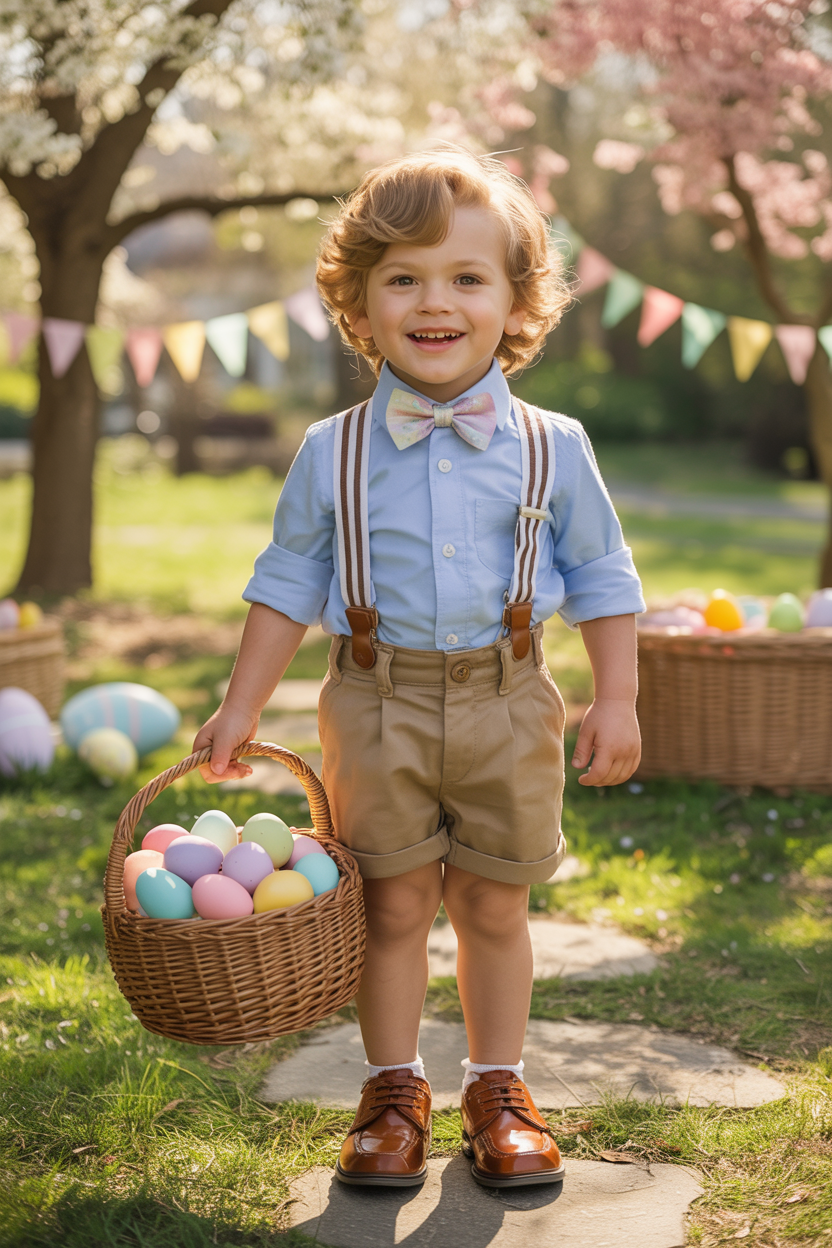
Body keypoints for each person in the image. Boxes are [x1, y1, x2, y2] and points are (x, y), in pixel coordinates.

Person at [193, 146, 645, 1191]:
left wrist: (615, 696)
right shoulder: (332, 451)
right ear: (359, 303)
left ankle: (498, 1088)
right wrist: (237, 706)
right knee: (392, 905)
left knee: (494, 905)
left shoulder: (552, 445)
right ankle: (393, 1091)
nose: (433, 303)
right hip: (375, 702)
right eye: (403, 278)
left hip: (509, 700)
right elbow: (286, 583)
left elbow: (603, 574)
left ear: (516, 300)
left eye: (465, 277)